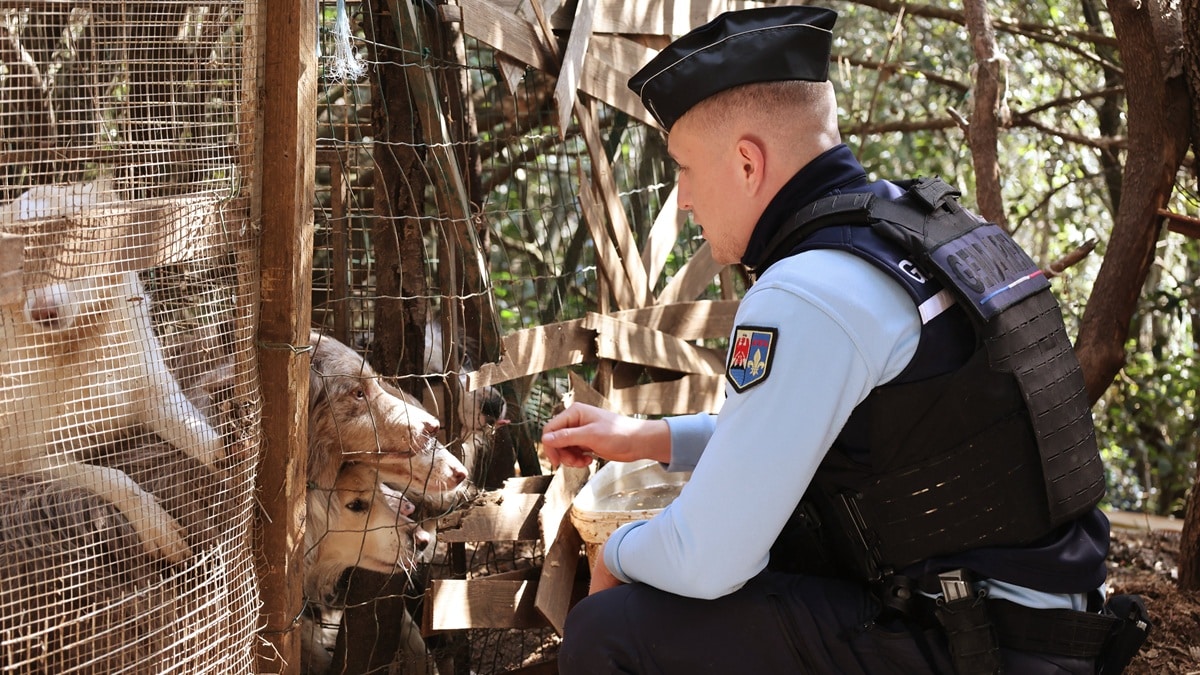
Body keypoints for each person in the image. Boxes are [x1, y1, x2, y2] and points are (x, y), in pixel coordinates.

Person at [540, 6, 1150, 674]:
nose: (682, 198)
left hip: (973, 646)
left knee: (609, 626)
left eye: (684, 167)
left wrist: (615, 550)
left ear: (747, 163)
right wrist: (647, 438)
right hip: (1043, 627)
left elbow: (705, 559)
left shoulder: (805, 289)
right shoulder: (925, 235)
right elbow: (843, 436)